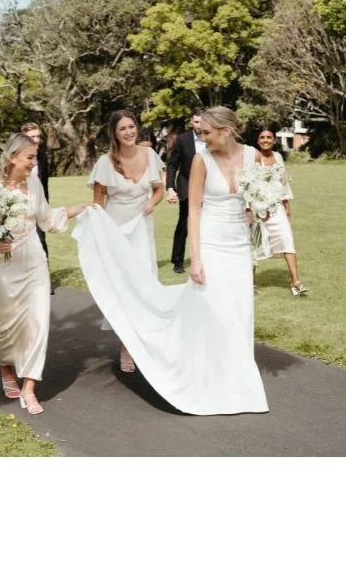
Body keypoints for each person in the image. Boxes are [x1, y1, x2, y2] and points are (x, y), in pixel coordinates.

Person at [75, 106, 268, 415]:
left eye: (206, 133)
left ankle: (240, 378)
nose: (201, 138)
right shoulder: (201, 160)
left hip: (240, 244)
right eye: (200, 133)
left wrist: (261, 210)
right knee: (214, 307)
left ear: (227, 130)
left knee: (241, 309)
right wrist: (195, 258)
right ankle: (208, 377)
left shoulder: (254, 157)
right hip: (210, 242)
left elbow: (261, 198)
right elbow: (193, 210)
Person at [0, 133, 88, 416]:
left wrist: (82, 208)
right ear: (13, 157)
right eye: (29, 157)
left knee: (38, 323)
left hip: (35, 262)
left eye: (34, 157)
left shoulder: (35, 184)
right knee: (7, 324)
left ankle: (29, 388)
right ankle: (7, 369)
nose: (33, 163)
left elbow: (48, 220)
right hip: (4, 267)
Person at [88, 109, 165, 372]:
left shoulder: (150, 155)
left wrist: (151, 203)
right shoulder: (105, 162)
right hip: (116, 230)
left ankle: (141, 343)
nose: (129, 132)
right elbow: (98, 204)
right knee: (123, 289)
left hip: (142, 228)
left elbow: (158, 190)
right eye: (123, 129)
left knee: (144, 285)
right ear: (114, 133)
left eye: (131, 126)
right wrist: (100, 239)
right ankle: (127, 344)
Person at [253, 128, 307, 295]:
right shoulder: (252, 157)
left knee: (287, 239)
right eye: (262, 137)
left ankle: (296, 282)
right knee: (254, 245)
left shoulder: (278, 157)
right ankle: (251, 283)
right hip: (257, 208)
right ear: (258, 140)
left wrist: (286, 202)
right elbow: (247, 183)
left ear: (274, 140)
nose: (266, 140)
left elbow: (282, 181)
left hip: (276, 207)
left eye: (269, 137)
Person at [166, 110, 205, 272]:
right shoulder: (182, 140)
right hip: (187, 185)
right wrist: (170, 188)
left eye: (202, 122)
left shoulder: (213, 138)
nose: (199, 125)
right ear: (191, 122)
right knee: (185, 223)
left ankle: (205, 258)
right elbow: (172, 164)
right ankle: (178, 261)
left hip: (208, 187)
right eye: (196, 122)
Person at [20, 121, 51, 264]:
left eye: (38, 136)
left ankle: (44, 278)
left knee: (40, 240)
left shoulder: (42, 157)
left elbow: (44, 184)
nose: (36, 139)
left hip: (38, 206)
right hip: (20, 207)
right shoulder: (16, 158)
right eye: (32, 136)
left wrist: (46, 205)